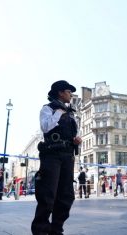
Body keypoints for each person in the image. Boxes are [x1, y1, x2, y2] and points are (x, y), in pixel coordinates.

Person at [31, 80, 82, 235]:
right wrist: (59, 112)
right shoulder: (48, 108)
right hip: (52, 155)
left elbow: (72, 133)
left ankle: (56, 230)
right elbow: (45, 127)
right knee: (48, 194)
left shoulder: (71, 113)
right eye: (69, 91)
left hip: (68, 156)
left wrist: (76, 140)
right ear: (60, 92)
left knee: (66, 195)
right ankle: (41, 231)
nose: (71, 95)